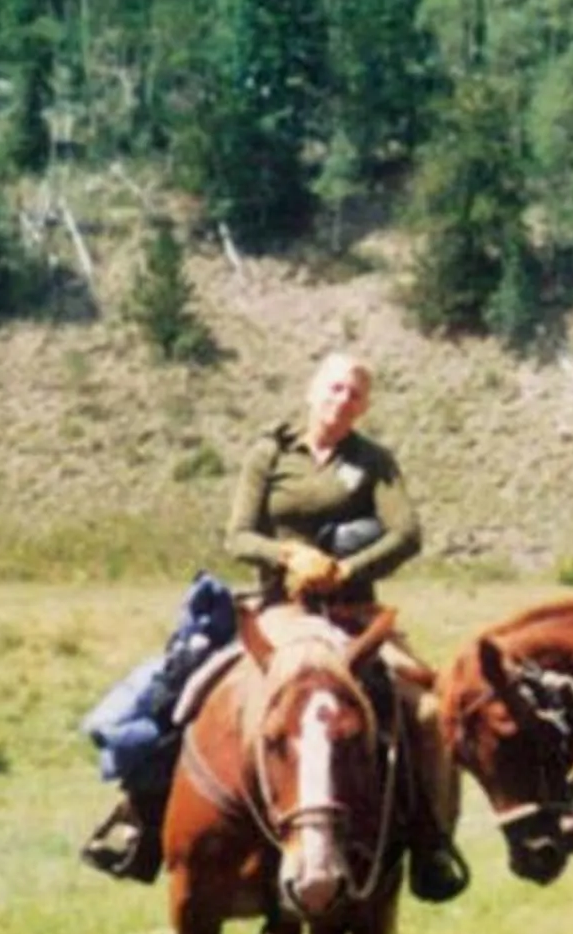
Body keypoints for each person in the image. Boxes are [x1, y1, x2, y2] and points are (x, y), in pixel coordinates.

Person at [82, 353, 470, 900]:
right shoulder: (271, 453)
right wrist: (289, 556)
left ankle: (431, 844)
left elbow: (406, 534)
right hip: (276, 607)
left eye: (356, 393)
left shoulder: (374, 461)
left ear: (366, 405)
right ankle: (143, 822)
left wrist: (344, 570)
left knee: (426, 709)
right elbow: (237, 536)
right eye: (335, 388)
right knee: (185, 689)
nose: (344, 400)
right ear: (313, 393)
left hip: (353, 615)